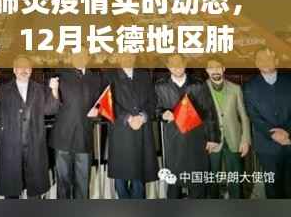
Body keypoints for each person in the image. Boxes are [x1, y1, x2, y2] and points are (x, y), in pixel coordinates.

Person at [0, 55, 60, 198]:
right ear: (14, 70)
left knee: (35, 193)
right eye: (20, 67)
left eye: (27, 67)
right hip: (10, 148)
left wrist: (54, 91)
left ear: (31, 70)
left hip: (34, 146)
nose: (23, 70)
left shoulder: (40, 89)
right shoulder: (3, 90)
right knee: (11, 192)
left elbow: (50, 110)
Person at [155, 54, 220, 199]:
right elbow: (156, 109)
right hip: (173, 140)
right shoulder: (160, 85)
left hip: (196, 138)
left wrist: (212, 138)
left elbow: (209, 111)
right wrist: (163, 114)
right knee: (174, 182)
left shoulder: (198, 84)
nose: (177, 67)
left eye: (180, 63)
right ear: (168, 66)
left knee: (197, 180)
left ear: (185, 63)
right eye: (173, 63)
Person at [49, 47, 105, 199]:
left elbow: (102, 102)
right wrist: (53, 91)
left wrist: (98, 110)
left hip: (84, 136)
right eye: (76, 54)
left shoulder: (96, 78)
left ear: (88, 57)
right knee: (63, 184)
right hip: (62, 137)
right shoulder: (59, 75)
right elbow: (51, 105)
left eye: (83, 54)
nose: (80, 57)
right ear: (71, 57)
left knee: (83, 183)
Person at [105, 54, 158, 199]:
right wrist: (127, 118)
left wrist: (143, 116)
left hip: (142, 129)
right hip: (121, 130)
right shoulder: (110, 75)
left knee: (139, 175)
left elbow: (153, 100)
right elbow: (107, 102)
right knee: (120, 177)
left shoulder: (144, 74)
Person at [243, 47, 291, 198]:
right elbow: (253, 116)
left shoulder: (289, 80)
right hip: (266, 145)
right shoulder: (249, 86)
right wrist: (273, 134)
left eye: (268, 58)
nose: (264, 62)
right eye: (260, 59)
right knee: (272, 186)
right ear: (256, 63)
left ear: (276, 61)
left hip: (289, 141)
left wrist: (288, 132)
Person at [205, 56, 251, 198]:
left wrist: (245, 140)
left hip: (234, 138)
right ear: (206, 70)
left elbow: (244, 116)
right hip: (211, 142)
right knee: (212, 180)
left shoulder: (235, 89)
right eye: (211, 67)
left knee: (235, 179)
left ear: (224, 69)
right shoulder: (201, 89)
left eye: (218, 67)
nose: (215, 70)